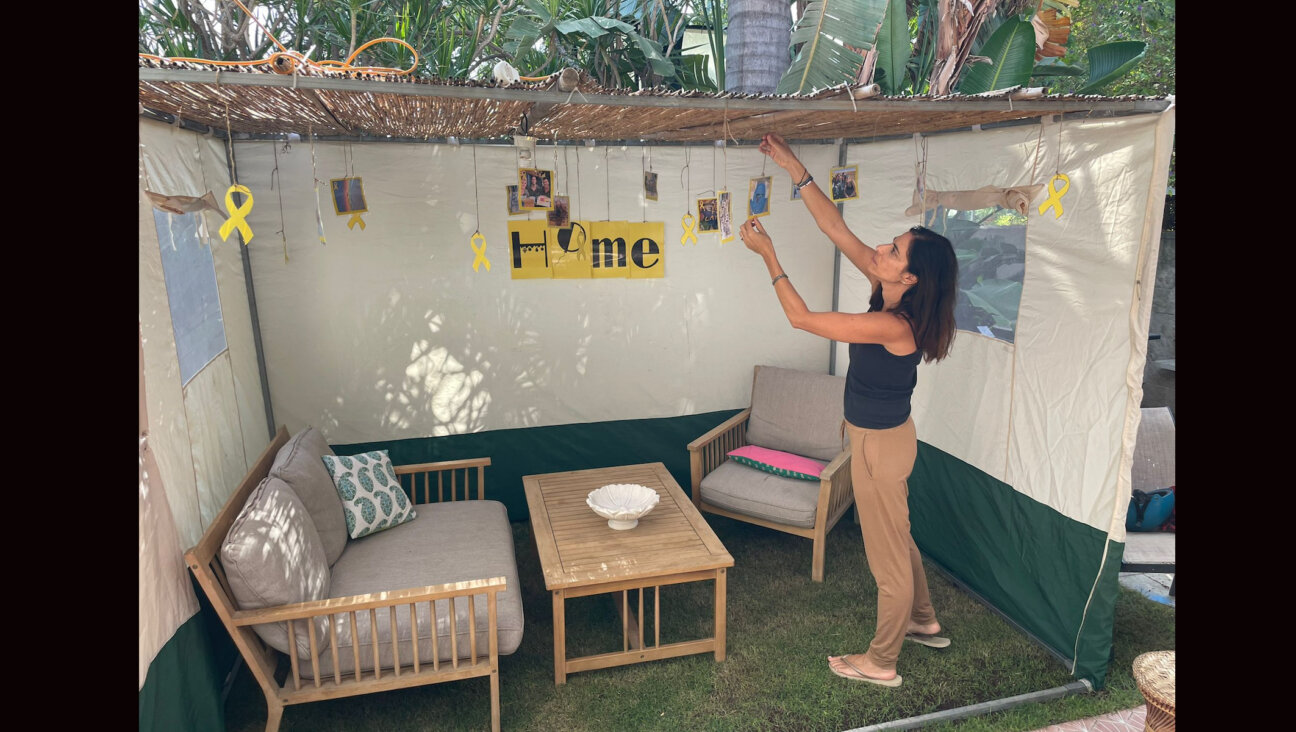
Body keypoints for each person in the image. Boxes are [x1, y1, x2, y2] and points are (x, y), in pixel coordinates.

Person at [740, 131, 959, 689]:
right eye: (889, 243)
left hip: (880, 447)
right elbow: (834, 228)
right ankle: (925, 620)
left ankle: (882, 661)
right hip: (883, 438)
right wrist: (793, 164)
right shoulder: (888, 288)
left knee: (886, 559)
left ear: (908, 277)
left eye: (893, 251)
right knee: (898, 535)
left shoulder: (894, 325)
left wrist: (769, 257)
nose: (880, 249)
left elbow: (803, 320)